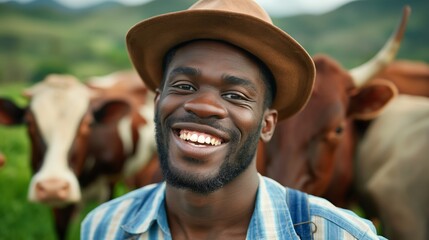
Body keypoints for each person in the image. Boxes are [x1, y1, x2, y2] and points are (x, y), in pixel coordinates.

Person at [81, 0, 386, 239]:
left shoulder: (338, 235)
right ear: (158, 100)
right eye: (185, 86)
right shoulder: (104, 227)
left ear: (267, 124)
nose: (203, 106)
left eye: (235, 95)